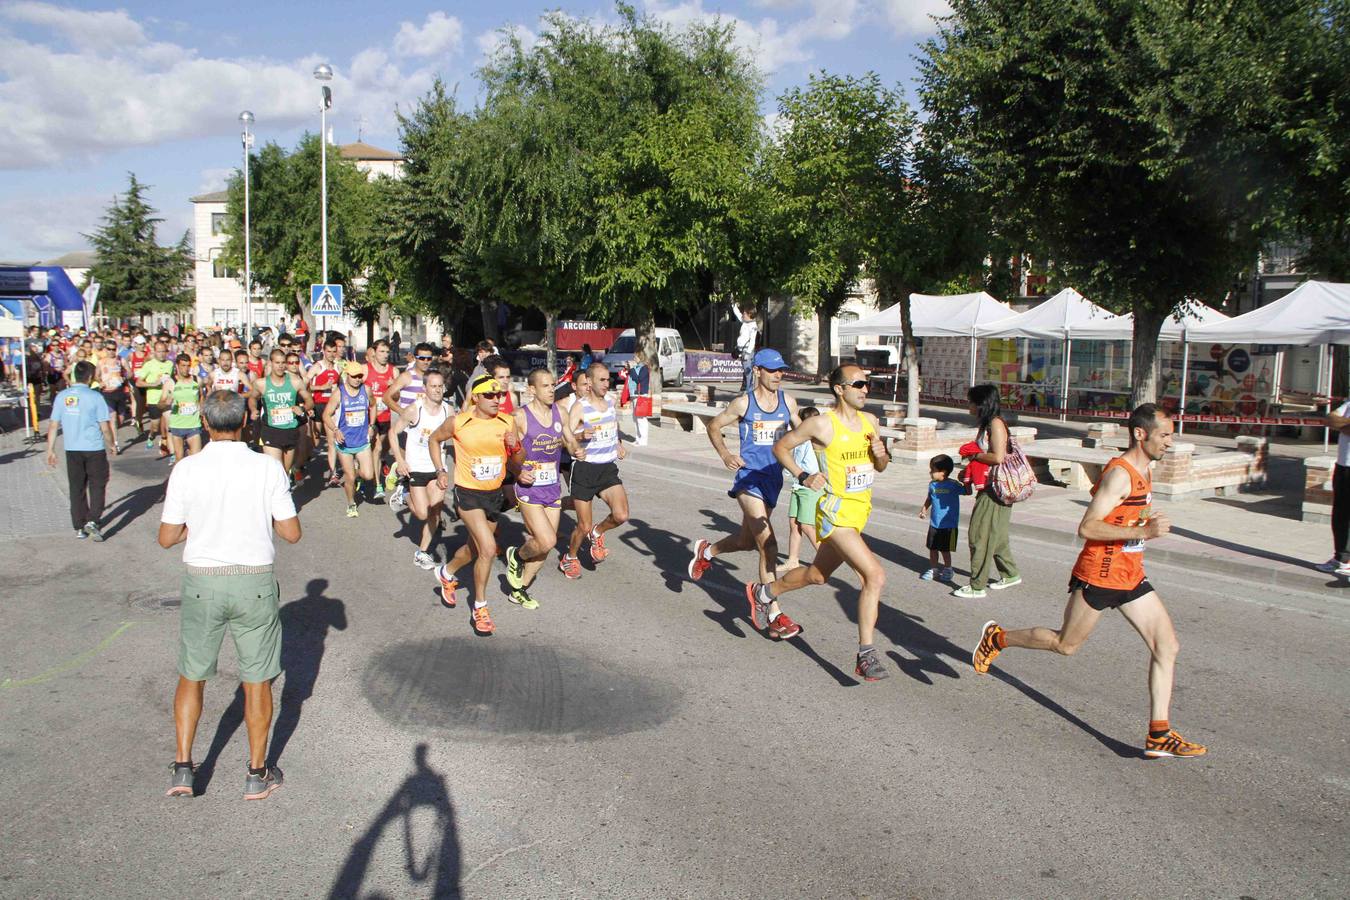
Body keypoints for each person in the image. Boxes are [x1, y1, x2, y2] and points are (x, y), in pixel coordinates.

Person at [973, 404, 1208, 759]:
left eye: (1171, 435)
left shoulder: (1143, 469)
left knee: (1167, 646)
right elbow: (1087, 527)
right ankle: (998, 638)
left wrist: (1138, 528)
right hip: (1100, 574)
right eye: (1165, 435)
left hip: (1130, 573)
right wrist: (1145, 529)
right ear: (1140, 434)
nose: (1170, 443)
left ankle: (1159, 733)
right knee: (1065, 645)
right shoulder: (1121, 475)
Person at [158, 390, 300, 799]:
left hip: (203, 580)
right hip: (253, 580)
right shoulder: (268, 468)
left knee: (192, 675)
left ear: (204, 423)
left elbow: (167, 537)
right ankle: (257, 773)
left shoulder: (186, 469)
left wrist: (198, 527)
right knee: (258, 681)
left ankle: (183, 767)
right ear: (246, 423)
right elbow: (291, 532)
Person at [750, 364, 892, 680]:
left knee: (816, 575)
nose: (864, 389)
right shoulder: (821, 425)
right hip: (834, 515)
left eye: (867, 384)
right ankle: (866, 654)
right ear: (839, 389)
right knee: (875, 576)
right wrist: (803, 475)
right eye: (857, 384)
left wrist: (880, 454)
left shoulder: (870, 422)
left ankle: (764, 593)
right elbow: (780, 447)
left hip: (859, 514)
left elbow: (880, 466)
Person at [689, 349, 801, 610]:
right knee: (769, 545)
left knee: (746, 541)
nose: (778, 375)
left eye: (781, 370)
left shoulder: (789, 402)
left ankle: (706, 552)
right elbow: (713, 425)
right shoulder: (744, 403)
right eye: (772, 370)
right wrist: (726, 454)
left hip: (774, 479)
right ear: (758, 371)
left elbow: (804, 431)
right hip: (749, 479)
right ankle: (773, 611)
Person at [430, 373, 519, 635]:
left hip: (493, 495)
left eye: (499, 395)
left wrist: (516, 447)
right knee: (489, 548)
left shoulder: (507, 421)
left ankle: (446, 572)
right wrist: (440, 470)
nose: (496, 399)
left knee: (474, 550)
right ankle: (480, 607)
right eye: (490, 395)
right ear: (476, 397)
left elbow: (516, 460)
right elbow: (434, 439)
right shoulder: (458, 422)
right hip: (468, 494)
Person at [504, 368, 582, 610]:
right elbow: (508, 456)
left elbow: (568, 439)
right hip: (529, 487)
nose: (551, 390)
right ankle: (516, 556)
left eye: (553, 385)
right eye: (546, 386)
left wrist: (577, 449)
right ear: (532, 390)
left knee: (545, 547)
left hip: (552, 487)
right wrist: (518, 472)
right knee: (547, 539)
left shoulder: (560, 412)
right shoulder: (520, 417)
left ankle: (519, 589)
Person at [559, 363, 629, 578]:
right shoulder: (580, 407)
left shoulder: (610, 401)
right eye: (602, 380)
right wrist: (579, 440)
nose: (607, 384)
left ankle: (598, 532)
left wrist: (617, 443)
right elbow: (565, 437)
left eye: (608, 380)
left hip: (607, 468)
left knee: (621, 515)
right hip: (585, 470)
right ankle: (570, 557)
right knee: (583, 525)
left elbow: (613, 424)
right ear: (589, 382)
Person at [953, 384, 1022, 598]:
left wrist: (974, 456)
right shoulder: (988, 424)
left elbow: (997, 457)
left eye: (971, 402)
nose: (969, 406)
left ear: (982, 403)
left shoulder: (995, 424)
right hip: (995, 486)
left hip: (995, 488)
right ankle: (1010, 573)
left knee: (979, 535)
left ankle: (977, 585)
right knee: (998, 535)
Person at [390, 369, 453, 569]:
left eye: (440, 386)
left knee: (435, 510)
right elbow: (393, 433)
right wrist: (400, 460)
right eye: (433, 386)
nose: (437, 390)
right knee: (422, 514)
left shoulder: (448, 411)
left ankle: (422, 552)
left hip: (437, 467)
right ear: (425, 388)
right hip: (415, 466)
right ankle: (404, 492)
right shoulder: (414, 410)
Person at [45, 360, 114, 541]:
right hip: (94, 448)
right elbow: (105, 426)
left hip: (72, 449)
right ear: (90, 377)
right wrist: (112, 444)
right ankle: (92, 520)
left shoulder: (61, 396)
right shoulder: (95, 397)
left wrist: (50, 450)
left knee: (76, 487)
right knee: (98, 484)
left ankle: (79, 526)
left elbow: (53, 425)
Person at [250, 349, 314, 485]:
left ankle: (283, 495)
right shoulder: (261, 383)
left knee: (285, 471)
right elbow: (252, 398)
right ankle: (274, 502)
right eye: (277, 362)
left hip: (290, 430)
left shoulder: (295, 381)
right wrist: (253, 409)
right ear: (271, 363)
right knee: (276, 471)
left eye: (283, 363)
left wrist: (302, 408)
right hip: (270, 431)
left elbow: (310, 400)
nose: (280, 366)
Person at [324, 361, 377, 517]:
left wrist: (372, 426)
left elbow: (373, 406)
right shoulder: (339, 393)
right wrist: (335, 430)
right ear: (347, 376)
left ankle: (354, 477)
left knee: (368, 475)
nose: (358, 379)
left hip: (362, 441)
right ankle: (351, 503)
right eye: (354, 376)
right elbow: (326, 415)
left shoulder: (366, 390)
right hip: (345, 443)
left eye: (360, 376)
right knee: (350, 477)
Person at [782, 405, 822, 572]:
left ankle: (824, 559)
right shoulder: (800, 441)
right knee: (794, 523)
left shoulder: (810, 443)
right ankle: (793, 560)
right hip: (799, 486)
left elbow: (809, 467)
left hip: (809, 488)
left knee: (806, 525)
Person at [1315, 400, 1350, 575]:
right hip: (1343, 466)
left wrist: (1342, 424)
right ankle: (1341, 558)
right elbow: (1329, 420)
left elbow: (1338, 423)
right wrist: (1343, 424)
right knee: (1340, 515)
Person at [920, 454, 964, 582]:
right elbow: (930, 498)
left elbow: (967, 491)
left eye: (933, 470)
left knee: (945, 550)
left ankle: (948, 569)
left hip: (949, 524)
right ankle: (934, 569)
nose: (930, 473)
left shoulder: (953, 485)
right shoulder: (932, 485)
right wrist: (924, 508)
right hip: (935, 523)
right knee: (932, 548)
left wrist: (966, 478)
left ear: (943, 472)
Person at [307, 338, 342, 486]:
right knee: (314, 439)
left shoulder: (338, 368)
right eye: (329, 351)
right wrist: (322, 387)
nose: (332, 354)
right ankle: (305, 461)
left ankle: (333, 473)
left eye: (334, 351)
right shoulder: (317, 366)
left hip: (330, 408)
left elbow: (341, 385)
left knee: (331, 440)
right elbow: (306, 386)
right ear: (323, 351)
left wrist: (337, 390)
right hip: (317, 405)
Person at [364, 338, 396, 499]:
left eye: (387, 352)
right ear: (374, 353)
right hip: (369, 417)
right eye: (381, 352)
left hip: (385, 417)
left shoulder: (393, 371)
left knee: (380, 449)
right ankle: (378, 485)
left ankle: (365, 468)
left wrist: (392, 386)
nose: (385, 355)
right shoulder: (365, 370)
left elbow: (397, 396)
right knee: (376, 448)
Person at [162, 353, 204, 465]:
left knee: (196, 460)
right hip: (177, 425)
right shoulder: (170, 383)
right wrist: (167, 402)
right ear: (177, 366)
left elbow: (201, 396)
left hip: (194, 425)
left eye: (187, 366)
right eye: (183, 366)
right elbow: (160, 404)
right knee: (179, 459)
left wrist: (202, 411)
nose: (186, 369)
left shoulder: (197, 380)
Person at [136, 341, 175, 458]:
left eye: (164, 351)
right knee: (155, 426)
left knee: (170, 426)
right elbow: (138, 382)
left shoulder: (170, 364)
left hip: (167, 399)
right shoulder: (149, 365)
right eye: (159, 351)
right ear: (154, 352)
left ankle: (172, 453)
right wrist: (154, 384)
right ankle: (151, 436)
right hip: (154, 399)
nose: (162, 354)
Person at [96, 340, 130, 451]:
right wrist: (100, 382)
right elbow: (96, 375)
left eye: (113, 349)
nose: (111, 351)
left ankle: (109, 432)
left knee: (121, 419)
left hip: (119, 392)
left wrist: (124, 378)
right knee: (113, 417)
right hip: (107, 392)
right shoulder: (101, 362)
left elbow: (130, 373)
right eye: (109, 349)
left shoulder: (121, 360)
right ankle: (115, 444)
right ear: (105, 349)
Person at [628, 350, 652, 446]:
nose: (634, 358)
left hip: (641, 395)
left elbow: (638, 379)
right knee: (635, 418)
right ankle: (638, 438)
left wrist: (632, 369)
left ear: (640, 357)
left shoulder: (644, 368)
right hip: (634, 395)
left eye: (635, 357)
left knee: (641, 418)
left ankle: (643, 440)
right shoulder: (637, 367)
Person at [736, 304, 758, 392]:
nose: (743, 314)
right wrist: (733, 304)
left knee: (748, 372)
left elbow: (752, 341)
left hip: (747, 352)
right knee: (745, 371)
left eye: (744, 313)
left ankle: (750, 391)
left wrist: (748, 354)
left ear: (749, 314)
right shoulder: (745, 322)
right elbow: (737, 314)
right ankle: (746, 389)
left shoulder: (753, 326)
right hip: (741, 350)